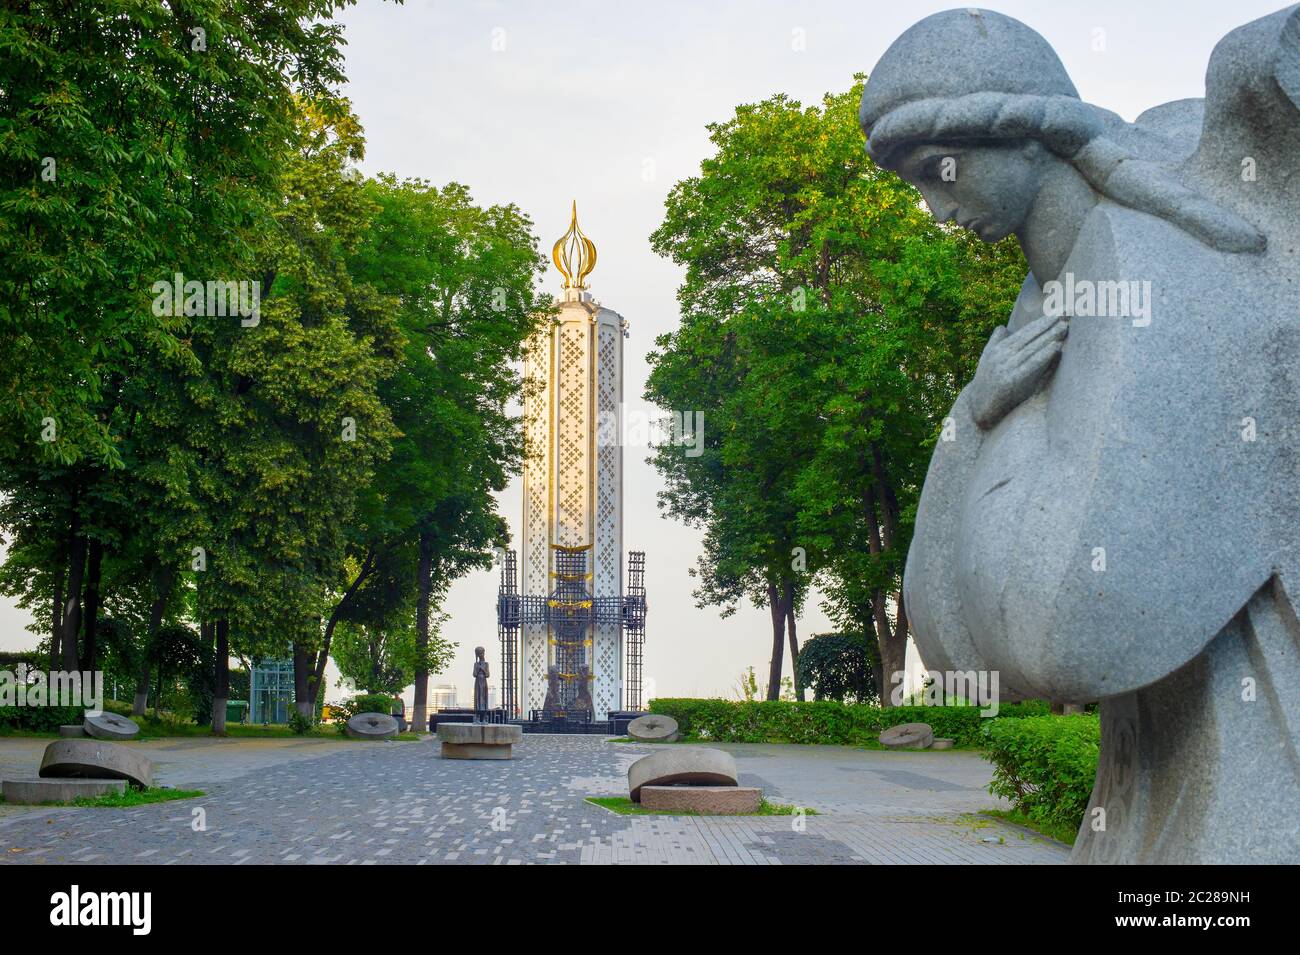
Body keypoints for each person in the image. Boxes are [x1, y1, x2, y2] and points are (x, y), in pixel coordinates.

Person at [860, 6, 1300, 862]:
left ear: (1025, 134)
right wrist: (974, 414)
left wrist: (987, 439)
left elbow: (1063, 630)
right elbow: (954, 640)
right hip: (1154, 792)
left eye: (940, 172)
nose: (936, 210)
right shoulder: (1045, 299)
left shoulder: (1150, 263)